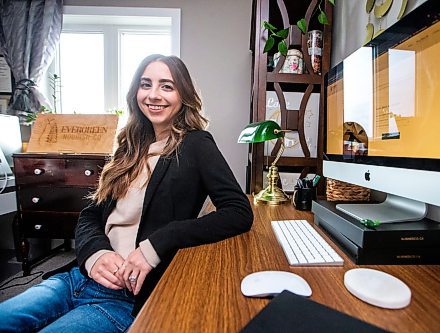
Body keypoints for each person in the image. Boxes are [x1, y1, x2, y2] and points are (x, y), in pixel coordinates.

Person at [0, 54, 253, 332]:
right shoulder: (128, 148)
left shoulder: (196, 144)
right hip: (76, 278)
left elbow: (238, 212)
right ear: (136, 92)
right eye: (146, 84)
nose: (154, 95)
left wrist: (155, 245)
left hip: (124, 298)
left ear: (184, 95)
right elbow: (90, 215)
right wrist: (96, 254)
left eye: (167, 86)